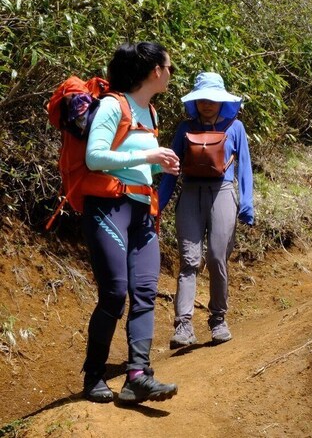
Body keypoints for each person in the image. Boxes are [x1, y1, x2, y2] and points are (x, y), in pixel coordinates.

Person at [81, 42, 179, 404]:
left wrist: (158, 165)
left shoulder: (150, 112)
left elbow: (139, 164)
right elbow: (94, 158)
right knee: (115, 291)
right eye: (169, 67)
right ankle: (93, 375)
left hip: (141, 210)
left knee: (145, 291)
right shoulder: (112, 105)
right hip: (109, 207)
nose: (170, 73)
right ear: (155, 70)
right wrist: (149, 154)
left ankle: (137, 376)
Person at [158, 72, 254, 349]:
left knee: (215, 257)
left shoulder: (235, 127)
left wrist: (247, 204)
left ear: (222, 100)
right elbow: (171, 170)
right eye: (202, 99)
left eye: (212, 99)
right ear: (195, 101)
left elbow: (244, 167)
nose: (207, 104)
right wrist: (158, 204)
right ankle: (183, 325)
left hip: (222, 193)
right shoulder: (184, 128)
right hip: (190, 193)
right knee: (189, 260)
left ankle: (218, 319)